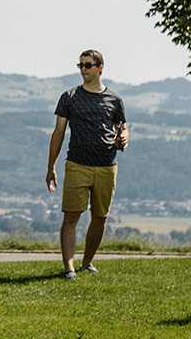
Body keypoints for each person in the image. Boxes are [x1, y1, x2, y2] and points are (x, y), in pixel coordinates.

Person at [45, 49, 128, 279]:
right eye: (80, 65)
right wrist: (51, 166)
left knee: (100, 217)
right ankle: (69, 268)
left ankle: (87, 263)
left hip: (106, 166)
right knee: (71, 216)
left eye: (88, 65)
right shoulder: (69, 97)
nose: (83, 69)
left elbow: (121, 127)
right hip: (77, 164)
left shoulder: (115, 100)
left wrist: (125, 135)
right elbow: (58, 132)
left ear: (100, 67)